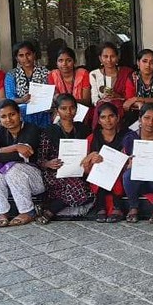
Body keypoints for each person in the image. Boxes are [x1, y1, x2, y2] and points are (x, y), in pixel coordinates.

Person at [0, 99, 44, 227]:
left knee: (14, 169)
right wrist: (14, 147)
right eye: (3, 116)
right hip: (10, 181)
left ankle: (27, 211)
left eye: (12, 114)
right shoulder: (0, 131)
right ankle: (2, 212)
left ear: (19, 114)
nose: (8, 119)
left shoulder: (32, 129)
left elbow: (22, 156)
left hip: (35, 179)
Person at [36, 94, 93, 225]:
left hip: (79, 170)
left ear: (77, 109)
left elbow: (91, 148)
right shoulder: (49, 131)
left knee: (88, 191)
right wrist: (48, 163)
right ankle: (50, 212)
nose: (68, 112)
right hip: (56, 172)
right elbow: (40, 159)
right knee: (82, 190)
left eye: (72, 108)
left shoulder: (83, 128)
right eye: (64, 108)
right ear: (57, 110)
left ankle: (48, 209)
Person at [121, 103, 153, 224]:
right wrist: (129, 164)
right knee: (127, 175)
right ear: (139, 119)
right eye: (146, 118)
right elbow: (125, 162)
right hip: (137, 180)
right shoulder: (131, 137)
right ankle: (133, 206)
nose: (150, 123)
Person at [82, 102, 131, 223]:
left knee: (114, 168)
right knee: (100, 165)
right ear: (98, 120)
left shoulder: (127, 136)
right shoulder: (92, 138)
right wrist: (91, 158)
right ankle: (103, 206)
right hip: (97, 176)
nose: (108, 120)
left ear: (118, 118)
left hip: (120, 174)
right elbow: (83, 166)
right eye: (103, 117)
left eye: (111, 116)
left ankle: (116, 206)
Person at [4, 40, 51, 127]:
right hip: (22, 115)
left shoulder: (46, 73)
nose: (25, 58)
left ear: (34, 54)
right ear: (17, 58)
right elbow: (10, 99)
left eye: (28, 54)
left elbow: (51, 94)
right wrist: (22, 100)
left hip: (43, 113)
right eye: (21, 56)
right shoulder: (11, 75)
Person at [123, 49, 153, 126]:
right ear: (138, 63)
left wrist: (137, 99)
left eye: (151, 62)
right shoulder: (132, 77)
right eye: (144, 61)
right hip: (136, 113)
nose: (148, 65)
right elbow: (129, 100)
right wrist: (139, 104)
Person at [89, 42, 134, 107]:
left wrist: (117, 96)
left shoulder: (127, 73)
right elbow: (94, 99)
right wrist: (103, 100)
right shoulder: (94, 74)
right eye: (105, 56)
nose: (109, 60)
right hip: (102, 110)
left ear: (117, 57)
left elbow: (131, 98)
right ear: (100, 59)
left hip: (123, 109)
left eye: (112, 56)